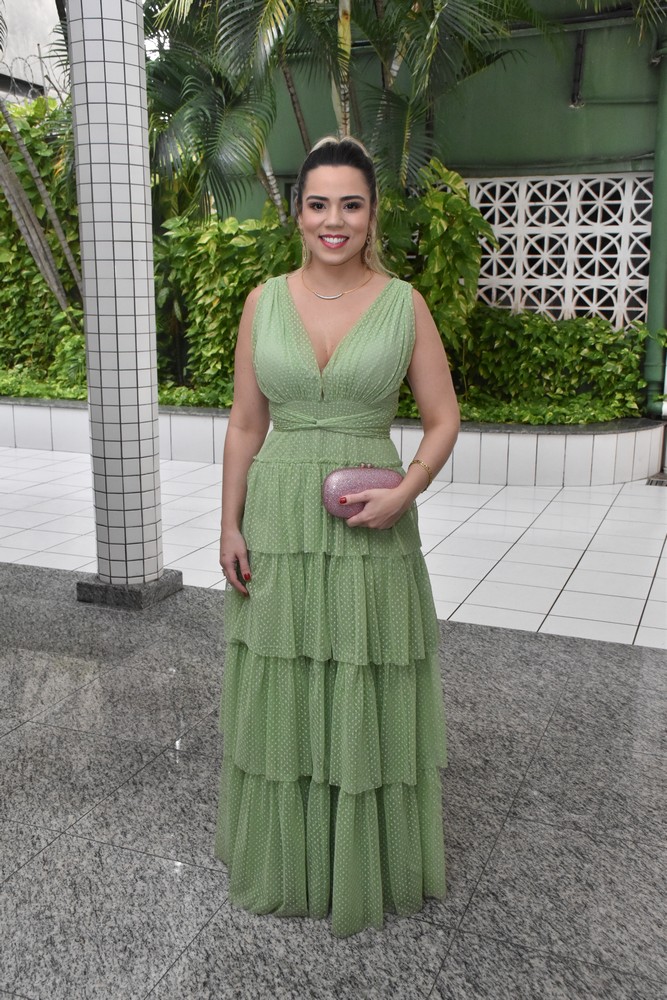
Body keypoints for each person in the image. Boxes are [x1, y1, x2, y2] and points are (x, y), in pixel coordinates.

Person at [215, 135, 460, 938]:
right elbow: (245, 423)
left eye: (350, 204)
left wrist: (407, 490)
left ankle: (359, 859)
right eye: (317, 203)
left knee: (359, 672)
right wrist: (228, 522)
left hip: (370, 517)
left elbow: (442, 418)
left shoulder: (402, 303)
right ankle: (291, 856)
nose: (333, 220)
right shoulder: (262, 301)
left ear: (371, 213)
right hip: (278, 517)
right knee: (285, 678)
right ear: (296, 214)